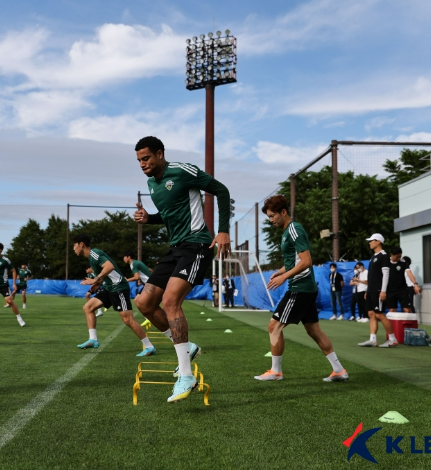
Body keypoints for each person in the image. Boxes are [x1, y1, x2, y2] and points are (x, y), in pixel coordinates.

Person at [133, 136, 232, 403]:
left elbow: (221, 190)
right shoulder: (152, 184)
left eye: (147, 158)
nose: (143, 164)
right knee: (144, 303)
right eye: (139, 160)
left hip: (196, 245)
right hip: (175, 249)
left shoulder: (182, 171)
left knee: (169, 301)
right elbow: (169, 214)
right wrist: (149, 218)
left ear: (160, 154)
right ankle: (187, 347)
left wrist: (223, 231)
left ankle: (186, 375)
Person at [254, 195, 348, 383]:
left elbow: (306, 261)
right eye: (268, 217)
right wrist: (280, 271)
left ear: (283, 212)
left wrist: (284, 277)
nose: (271, 220)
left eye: (273, 216)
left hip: (300, 288)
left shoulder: (294, 229)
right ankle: (339, 370)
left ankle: (276, 372)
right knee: (314, 331)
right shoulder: (286, 232)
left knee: (274, 326)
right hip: (305, 288)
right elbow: (293, 261)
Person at [74, 234, 155, 356]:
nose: (73, 249)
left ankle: (149, 347)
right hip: (108, 287)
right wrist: (99, 282)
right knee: (88, 307)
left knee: (128, 320)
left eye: (74, 245)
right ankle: (93, 339)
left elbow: (109, 266)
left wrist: (95, 279)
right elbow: (107, 273)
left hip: (119, 288)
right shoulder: (91, 258)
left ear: (81, 244)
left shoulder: (94, 254)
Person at [358, 234, 398, 348]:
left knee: (380, 314)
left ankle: (392, 339)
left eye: (371, 241)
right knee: (371, 314)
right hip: (371, 290)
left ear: (378, 241)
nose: (369, 243)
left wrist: (383, 291)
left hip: (378, 290)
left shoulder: (384, 256)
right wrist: (367, 290)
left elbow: (386, 274)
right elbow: (372, 276)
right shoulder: (373, 257)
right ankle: (373, 340)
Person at [385, 247, 420, 313]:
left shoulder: (403, 262)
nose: (399, 258)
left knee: (407, 309)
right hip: (390, 290)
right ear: (392, 255)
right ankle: (393, 323)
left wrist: (415, 284)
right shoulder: (386, 262)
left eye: (400, 256)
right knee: (392, 310)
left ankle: (411, 322)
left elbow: (409, 273)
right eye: (397, 257)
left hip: (402, 290)